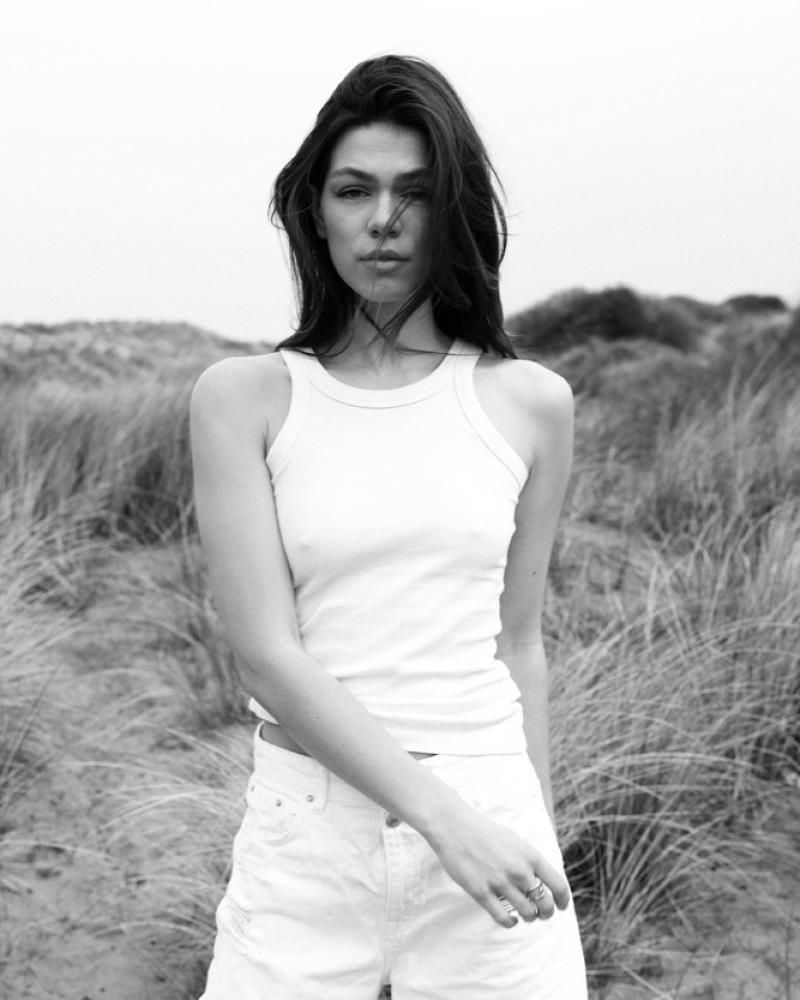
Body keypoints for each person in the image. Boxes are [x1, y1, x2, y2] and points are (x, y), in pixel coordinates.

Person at [191, 54, 587, 1000]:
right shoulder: (244, 398)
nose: (382, 219)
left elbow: (519, 643)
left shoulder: (532, 403)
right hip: (309, 839)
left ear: (454, 210)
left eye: (415, 192)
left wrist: (527, 824)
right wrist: (445, 822)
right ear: (314, 211)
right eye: (353, 190)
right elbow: (268, 658)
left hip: (492, 819)